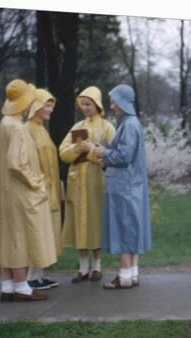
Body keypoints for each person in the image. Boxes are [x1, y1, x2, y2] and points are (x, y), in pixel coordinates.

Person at [0, 79, 57, 302]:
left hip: (8, 190)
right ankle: (22, 287)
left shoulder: (6, 123)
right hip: (20, 191)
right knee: (19, 237)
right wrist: (36, 182)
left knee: (8, 236)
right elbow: (16, 163)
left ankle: (8, 286)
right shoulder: (18, 128)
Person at [92, 84, 151, 290]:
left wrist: (103, 153)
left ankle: (124, 276)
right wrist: (108, 153)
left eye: (114, 101)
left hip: (125, 186)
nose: (111, 106)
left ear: (123, 102)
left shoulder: (129, 124)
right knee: (132, 229)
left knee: (124, 229)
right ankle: (132, 274)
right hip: (130, 185)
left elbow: (124, 155)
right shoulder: (130, 123)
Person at [59, 86, 115, 283]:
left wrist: (91, 152)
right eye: (82, 104)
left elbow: (111, 156)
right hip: (77, 182)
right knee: (78, 224)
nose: (85, 107)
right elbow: (63, 152)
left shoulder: (107, 127)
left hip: (95, 182)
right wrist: (76, 148)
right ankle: (82, 268)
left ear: (97, 104)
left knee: (95, 222)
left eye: (88, 104)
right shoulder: (77, 127)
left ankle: (97, 267)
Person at [24, 88, 62, 290]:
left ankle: (40, 275)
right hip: (37, 191)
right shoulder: (27, 129)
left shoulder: (42, 129)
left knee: (47, 232)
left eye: (51, 105)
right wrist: (37, 184)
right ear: (37, 106)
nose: (50, 110)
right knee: (36, 231)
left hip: (50, 190)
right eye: (47, 105)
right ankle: (31, 275)